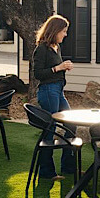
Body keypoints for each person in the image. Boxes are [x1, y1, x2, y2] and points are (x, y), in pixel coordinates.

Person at [32, 14, 76, 180]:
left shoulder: (57, 47)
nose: (65, 34)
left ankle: (68, 166)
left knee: (71, 124)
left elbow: (56, 69)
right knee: (49, 130)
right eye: (63, 31)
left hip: (58, 90)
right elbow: (38, 74)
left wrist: (64, 67)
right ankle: (46, 172)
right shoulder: (42, 48)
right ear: (55, 30)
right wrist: (58, 68)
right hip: (48, 91)